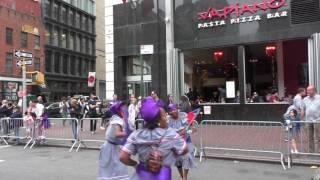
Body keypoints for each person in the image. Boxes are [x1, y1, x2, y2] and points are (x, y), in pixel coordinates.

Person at [119, 97, 188, 180]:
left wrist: (136, 165)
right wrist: (174, 153)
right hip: (163, 175)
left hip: (142, 175)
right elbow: (184, 149)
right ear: (158, 117)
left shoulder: (136, 135)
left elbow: (123, 157)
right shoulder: (170, 134)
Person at [97, 101, 130, 180]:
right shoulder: (117, 120)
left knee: (112, 169)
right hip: (111, 148)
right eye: (123, 108)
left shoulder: (116, 118)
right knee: (114, 168)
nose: (125, 109)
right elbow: (117, 133)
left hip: (113, 147)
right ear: (118, 110)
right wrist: (128, 133)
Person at [167, 103, 196, 180]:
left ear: (177, 109)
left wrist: (193, 127)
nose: (173, 111)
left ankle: (185, 177)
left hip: (187, 140)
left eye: (174, 109)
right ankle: (181, 175)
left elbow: (192, 117)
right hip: (176, 143)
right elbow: (169, 134)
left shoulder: (184, 114)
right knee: (178, 161)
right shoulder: (168, 120)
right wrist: (180, 133)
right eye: (171, 110)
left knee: (187, 157)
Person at [301, 85, 320, 153]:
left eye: (309, 90)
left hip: (317, 120)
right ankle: (311, 152)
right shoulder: (305, 99)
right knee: (309, 137)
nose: (307, 92)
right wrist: (301, 119)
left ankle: (318, 152)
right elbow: (303, 109)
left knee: (317, 137)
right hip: (308, 120)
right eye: (307, 90)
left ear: (314, 90)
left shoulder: (319, 98)